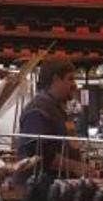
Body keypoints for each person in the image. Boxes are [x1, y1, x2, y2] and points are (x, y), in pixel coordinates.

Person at [14, 59, 94, 187]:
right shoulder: (38, 110)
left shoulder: (56, 108)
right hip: (39, 190)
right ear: (56, 79)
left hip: (54, 186)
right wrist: (75, 166)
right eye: (70, 79)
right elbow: (38, 154)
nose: (74, 85)